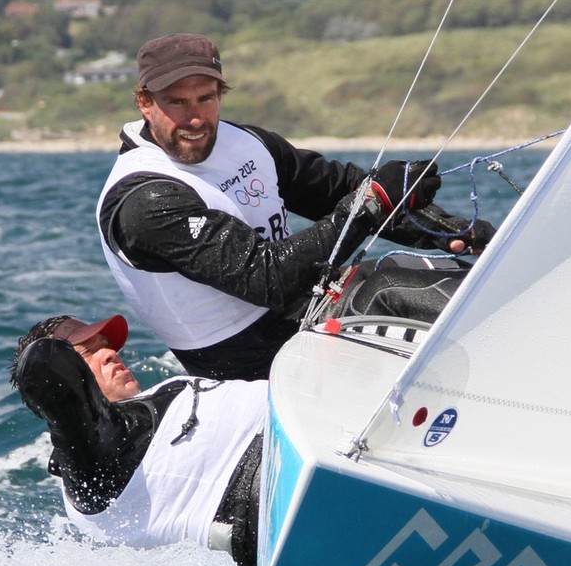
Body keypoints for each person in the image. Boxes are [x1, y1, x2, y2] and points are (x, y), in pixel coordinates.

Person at [95, 33, 495, 381]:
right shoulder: (145, 199)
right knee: (389, 291)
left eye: (206, 98)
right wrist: (374, 201)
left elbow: (335, 189)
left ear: (221, 94)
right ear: (145, 103)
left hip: (307, 307)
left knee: (412, 272)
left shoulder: (247, 143)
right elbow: (267, 278)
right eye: (177, 103)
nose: (196, 118)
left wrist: (446, 230)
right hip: (246, 359)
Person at [10, 313, 267, 566]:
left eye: (106, 345)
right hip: (262, 496)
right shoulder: (95, 461)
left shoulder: (155, 397)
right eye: (89, 352)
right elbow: (43, 363)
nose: (110, 353)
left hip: (291, 431)